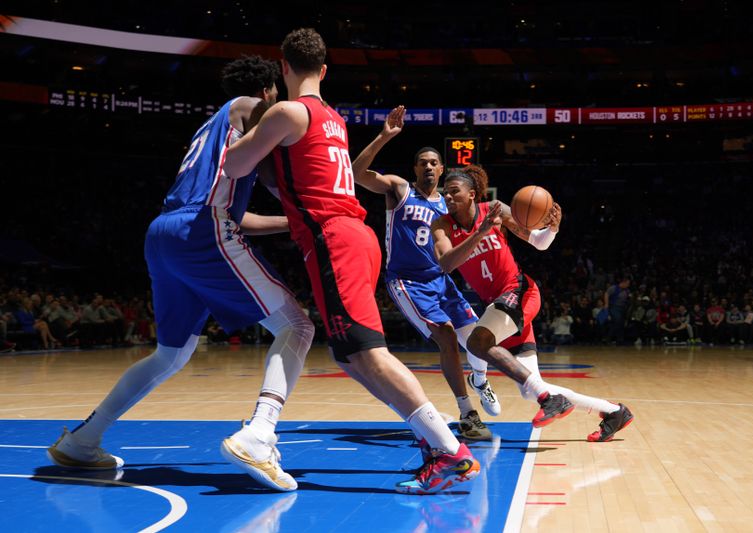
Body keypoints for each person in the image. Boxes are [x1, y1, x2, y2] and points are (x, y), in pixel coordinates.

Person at [222, 29, 479, 494]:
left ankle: (450, 452)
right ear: (324, 70)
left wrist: (235, 120)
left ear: (284, 67)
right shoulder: (333, 121)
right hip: (351, 237)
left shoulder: (287, 111)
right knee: (352, 358)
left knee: (368, 354)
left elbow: (236, 166)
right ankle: (434, 439)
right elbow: (287, 182)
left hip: (334, 241)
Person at [47, 55, 315, 492]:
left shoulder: (208, 130)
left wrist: (291, 222)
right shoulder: (249, 105)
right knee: (298, 324)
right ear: (269, 89)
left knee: (170, 355)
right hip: (203, 231)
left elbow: (233, 213)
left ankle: (82, 440)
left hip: (169, 233)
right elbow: (273, 159)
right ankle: (259, 434)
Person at [430, 165, 633, 442]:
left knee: (478, 342)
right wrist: (480, 233)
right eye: (446, 192)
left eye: (454, 192)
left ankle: (504, 387)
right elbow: (446, 264)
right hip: (499, 306)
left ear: (473, 195)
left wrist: (552, 228)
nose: (448, 197)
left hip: (519, 291)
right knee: (530, 387)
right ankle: (613, 412)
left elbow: (539, 242)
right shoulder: (441, 225)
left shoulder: (496, 209)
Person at [350, 105, 500, 441]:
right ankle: (467, 414)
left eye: (434, 162)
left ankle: (480, 377)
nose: (429, 166)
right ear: (415, 168)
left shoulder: (448, 206)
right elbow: (356, 173)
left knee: (477, 338)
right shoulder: (399, 190)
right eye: (423, 162)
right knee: (447, 339)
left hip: (441, 281)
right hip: (408, 282)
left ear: (442, 168)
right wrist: (383, 136)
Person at [604, 275, 631, 345]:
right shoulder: (614, 288)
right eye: (627, 284)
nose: (628, 285)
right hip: (614, 307)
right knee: (617, 321)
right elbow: (606, 294)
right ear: (623, 283)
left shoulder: (627, 290)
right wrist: (606, 304)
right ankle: (610, 339)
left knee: (620, 324)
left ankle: (618, 340)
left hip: (623, 308)